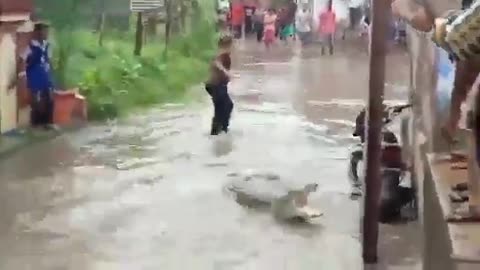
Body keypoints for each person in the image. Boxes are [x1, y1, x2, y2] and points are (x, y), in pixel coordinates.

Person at [20, 22, 55, 129]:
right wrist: (22, 74)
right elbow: (21, 60)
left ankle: (48, 123)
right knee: (36, 101)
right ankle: (36, 124)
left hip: (45, 76)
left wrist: (51, 74)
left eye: (47, 32)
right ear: (38, 32)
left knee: (49, 99)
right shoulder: (30, 47)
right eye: (44, 31)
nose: (46, 34)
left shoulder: (47, 46)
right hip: (35, 77)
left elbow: (49, 61)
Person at [205, 35, 234, 135]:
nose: (232, 48)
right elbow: (216, 63)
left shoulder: (223, 54)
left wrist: (227, 75)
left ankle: (219, 131)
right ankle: (221, 130)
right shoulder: (223, 54)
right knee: (226, 106)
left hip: (215, 85)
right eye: (231, 45)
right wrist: (226, 72)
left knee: (223, 107)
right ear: (226, 45)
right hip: (216, 85)